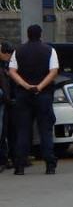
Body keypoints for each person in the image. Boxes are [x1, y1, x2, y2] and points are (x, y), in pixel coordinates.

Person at [9, 25, 59, 175]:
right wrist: (40, 87)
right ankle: (50, 164)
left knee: (23, 130)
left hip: (23, 95)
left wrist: (26, 85)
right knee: (45, 129)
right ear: (41, 35)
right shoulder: (49, 50)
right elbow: (54, 71)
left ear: (27, 35)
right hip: (43, 95)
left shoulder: (18, 51)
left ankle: (20, 166)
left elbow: (12, 71)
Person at [0, 41, 14, 171]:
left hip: (4, 102)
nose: (7, 54)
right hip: (3, 101)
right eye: (4, 51)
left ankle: (4, 159)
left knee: (3, 132)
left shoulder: (5, 65)